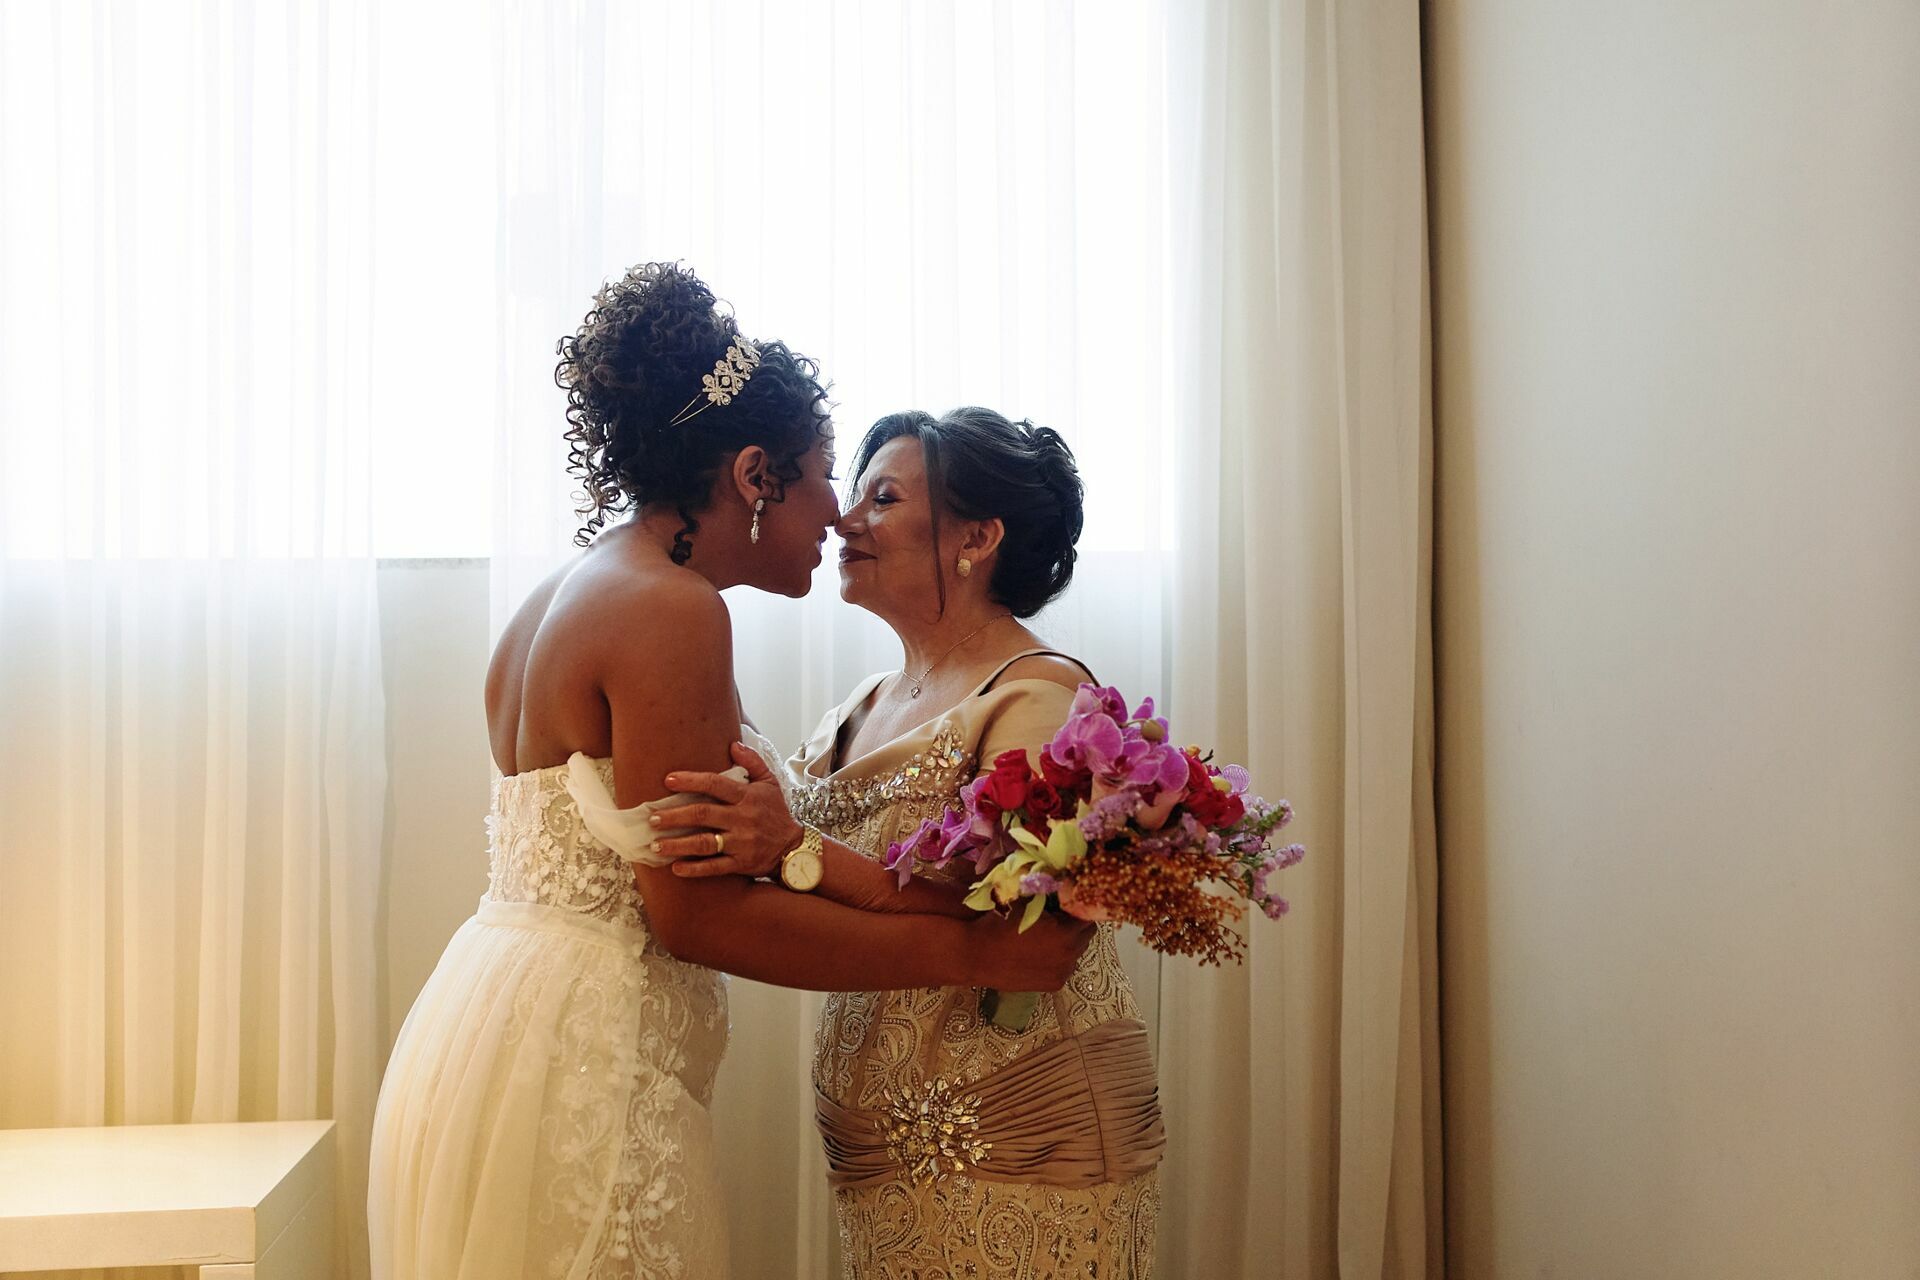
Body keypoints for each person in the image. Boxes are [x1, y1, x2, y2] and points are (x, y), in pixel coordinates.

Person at [366, 267, 1091, 1280]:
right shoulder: (671, 607)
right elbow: (694, 914)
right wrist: (967, 950)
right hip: (580, 1064)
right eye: (831, 470)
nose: (838, 510)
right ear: (757, 475)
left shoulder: (565, 588)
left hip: (492, 1021)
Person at [662, 408, 1164, 1278]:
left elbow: (1026, 944)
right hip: (884, 1154)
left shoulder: (1038, 701)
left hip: (1018, 1139)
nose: (844, 521)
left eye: (882, 497)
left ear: (978, 536)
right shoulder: (860, 703)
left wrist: (790, 849)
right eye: (852, 496)